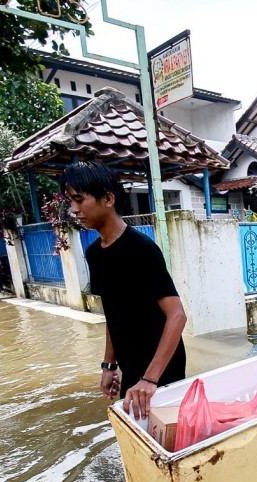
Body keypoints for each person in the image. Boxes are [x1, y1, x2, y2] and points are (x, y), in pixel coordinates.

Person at [61, 161, 187, 420]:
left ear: (108, 199)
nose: (74, 210)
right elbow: (113, 314)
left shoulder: (141, 249)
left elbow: (177, 316)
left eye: (79, 200)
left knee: (161, 435)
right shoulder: (94, 253)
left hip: (161, 365)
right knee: (133, 429)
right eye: (70, 201)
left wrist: (150, 380)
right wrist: (109, 366)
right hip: (130, 364)